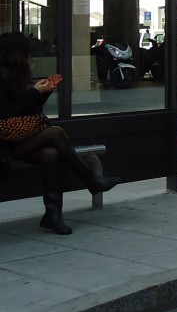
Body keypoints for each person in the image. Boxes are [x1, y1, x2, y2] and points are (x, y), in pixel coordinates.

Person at [0, 32, 120, 234]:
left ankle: (53, 215)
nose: (30, 58)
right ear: (16, 54)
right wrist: (34, 92)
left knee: (51, 153)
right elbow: (6, 114)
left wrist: (43, 94)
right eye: (27, 54)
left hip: (17, 140)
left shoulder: (16, 75)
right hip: (4, 144)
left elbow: (27, 112)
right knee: (55, 133)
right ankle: (91, 180)